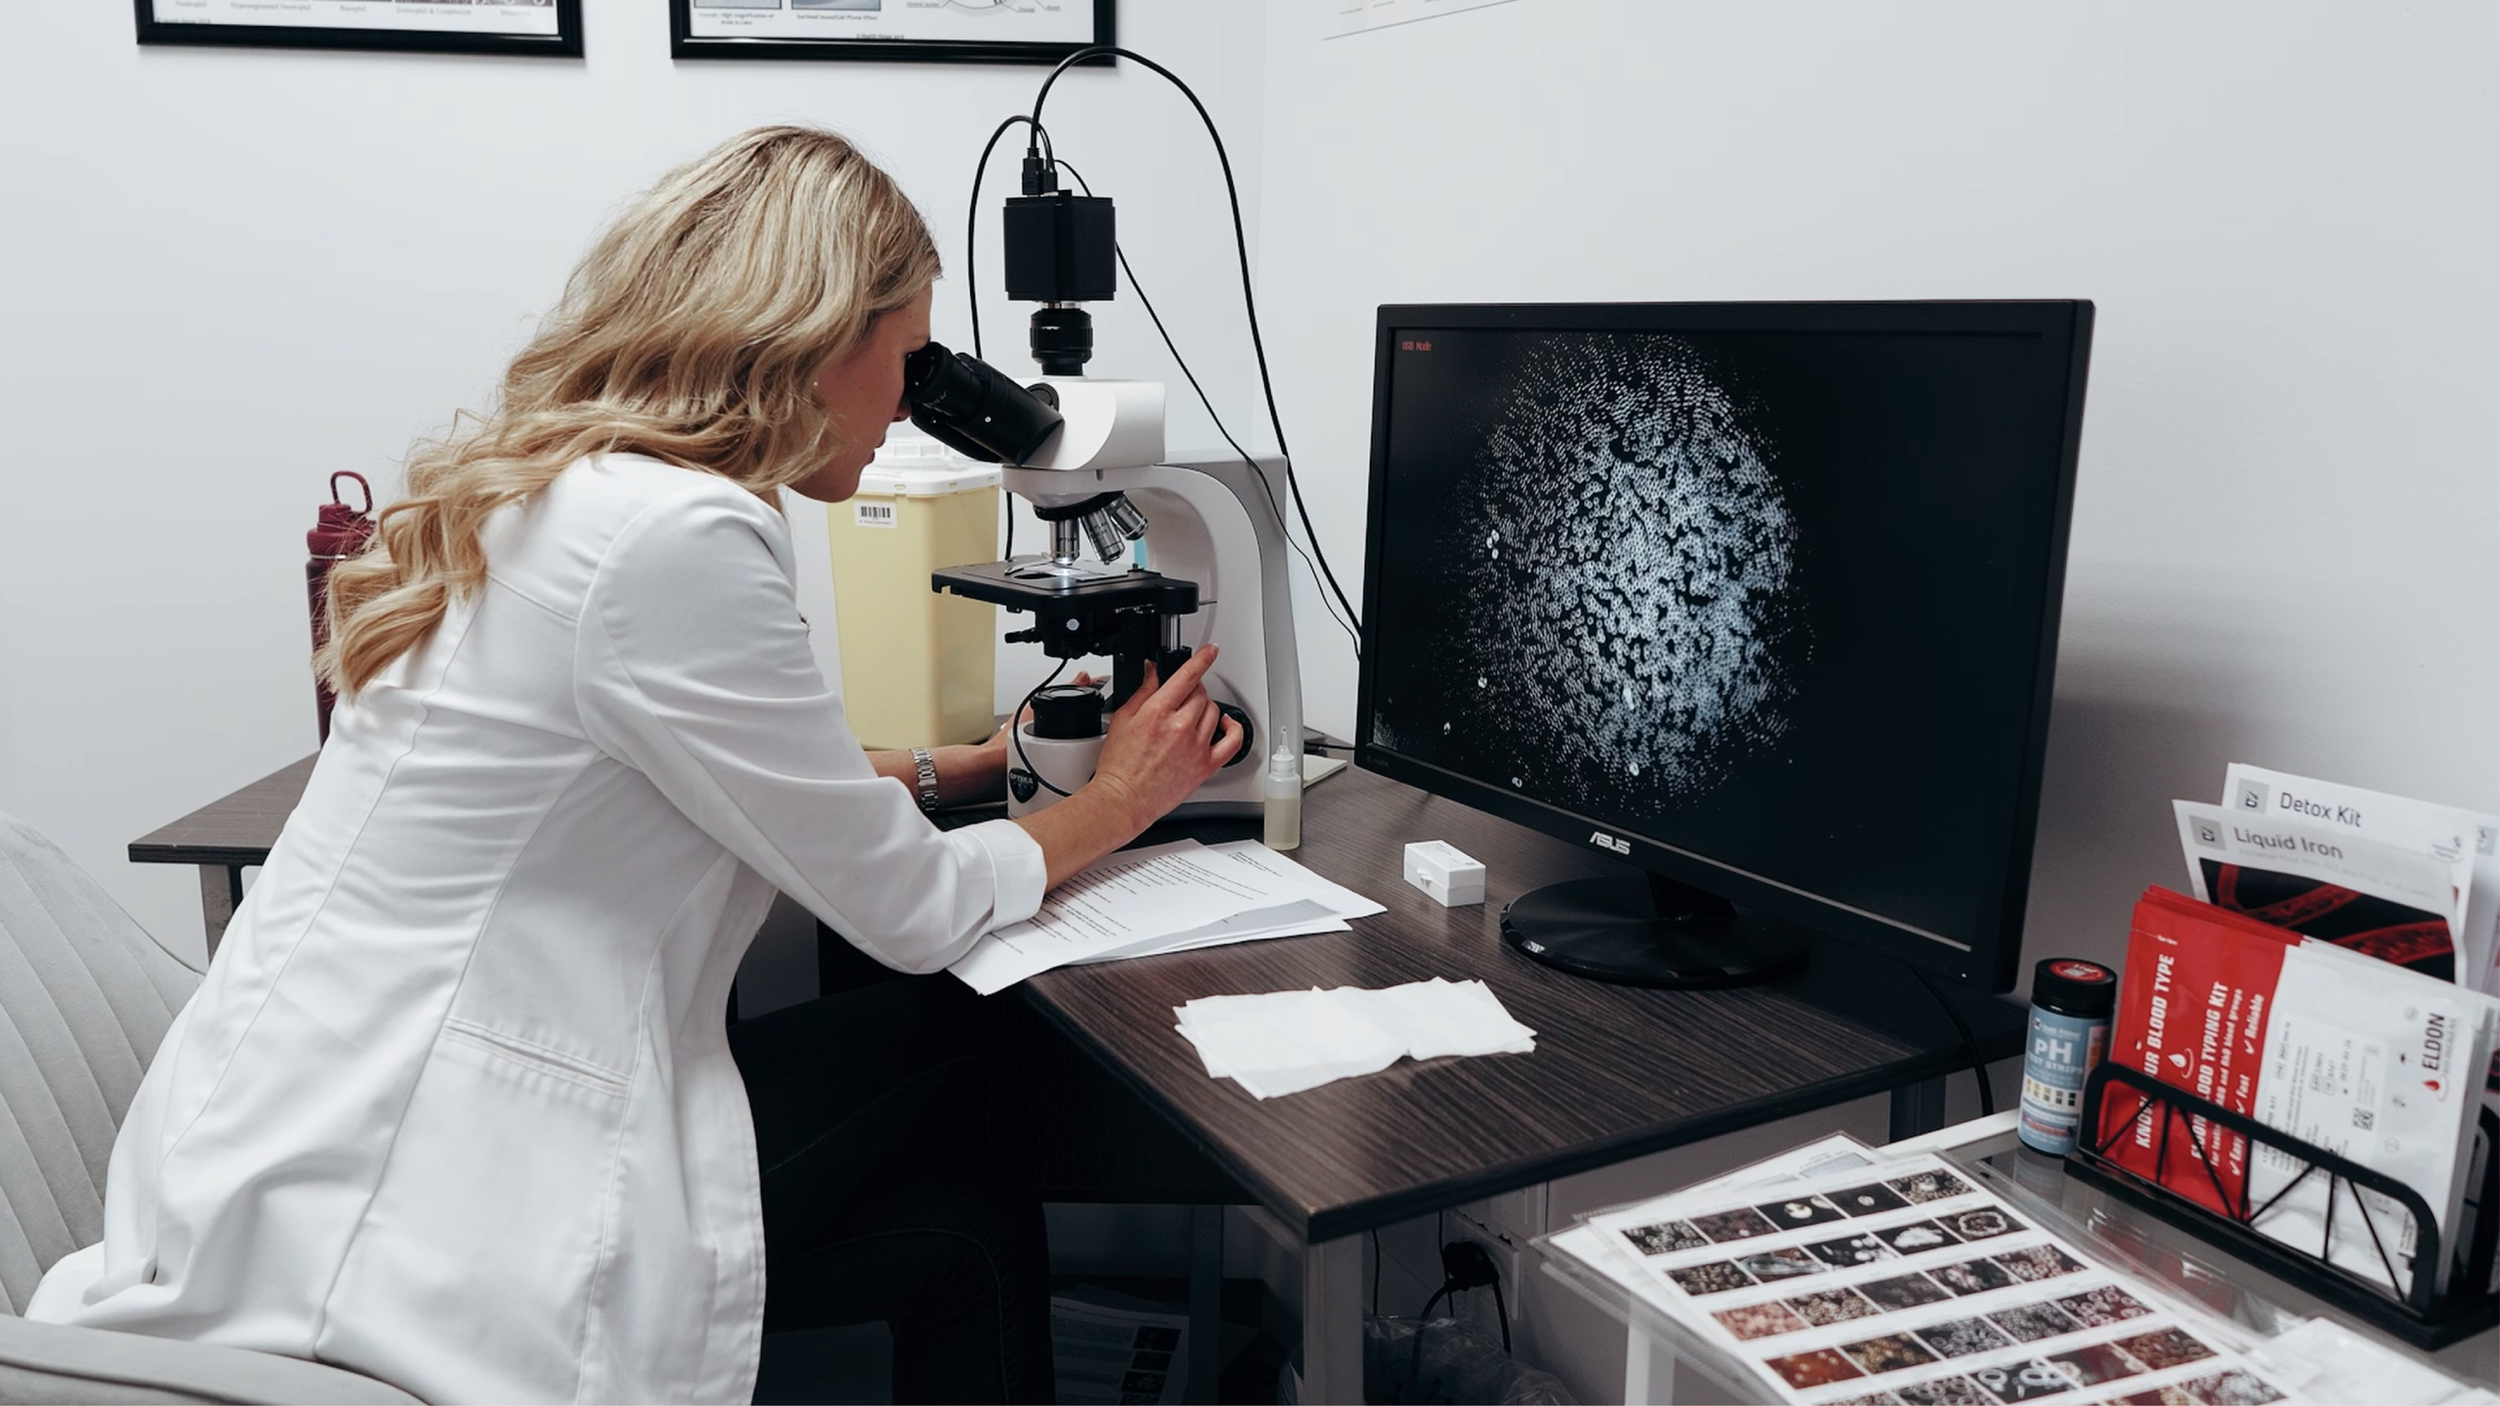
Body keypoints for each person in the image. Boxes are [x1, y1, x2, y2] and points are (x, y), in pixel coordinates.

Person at [27, 126, 1242, 1404]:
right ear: (816, 340)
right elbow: (911, 909)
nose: (909, 400)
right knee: (960, 1047)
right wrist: (1120, 799)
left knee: (962, 1223)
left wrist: (965, 768)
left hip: (290, 1124)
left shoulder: (574, 490)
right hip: (405, 1183)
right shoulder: (674, 535)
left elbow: (704, 770)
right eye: (910, 356)